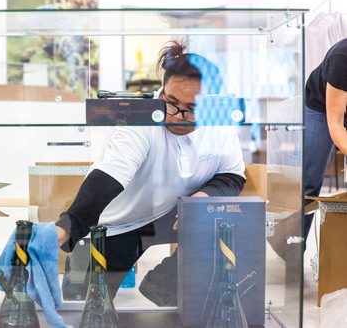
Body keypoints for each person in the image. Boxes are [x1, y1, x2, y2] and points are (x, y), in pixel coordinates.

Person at [55, 40, 246, 304]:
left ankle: (165, 286)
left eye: (192, 109)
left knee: (224, 220)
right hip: (115, 223)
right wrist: (67, 226)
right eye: (170, 102)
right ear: (162, 91)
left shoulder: (221, 123)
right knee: (82, 306)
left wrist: (203, 199)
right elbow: (108, 178)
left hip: (172, 214)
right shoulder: (141, 118)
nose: (178, 116)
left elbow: (232, 175)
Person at [304, 38, 347, 241]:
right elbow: (336, 124)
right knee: (309, 181)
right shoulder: (341, 57)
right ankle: (296, 251)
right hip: (321, 109)